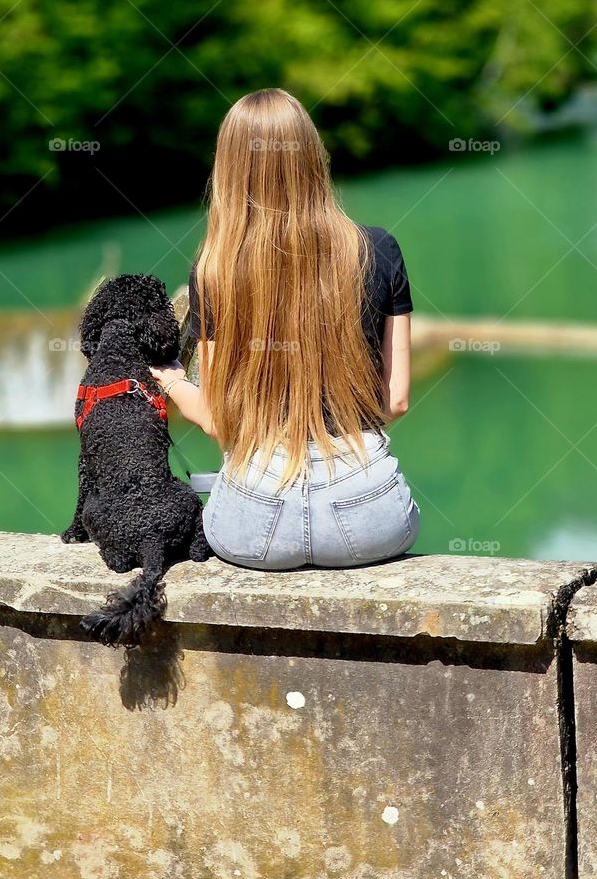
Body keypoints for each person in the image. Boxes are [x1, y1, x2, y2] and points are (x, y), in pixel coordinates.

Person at [150, 88, 417, 570]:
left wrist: (168, 377)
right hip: (370, 516)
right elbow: (394, 400)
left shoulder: (213, 268)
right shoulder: (378, 248)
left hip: (254, 521)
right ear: (313, 158)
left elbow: (215, 418)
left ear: (227, 168)